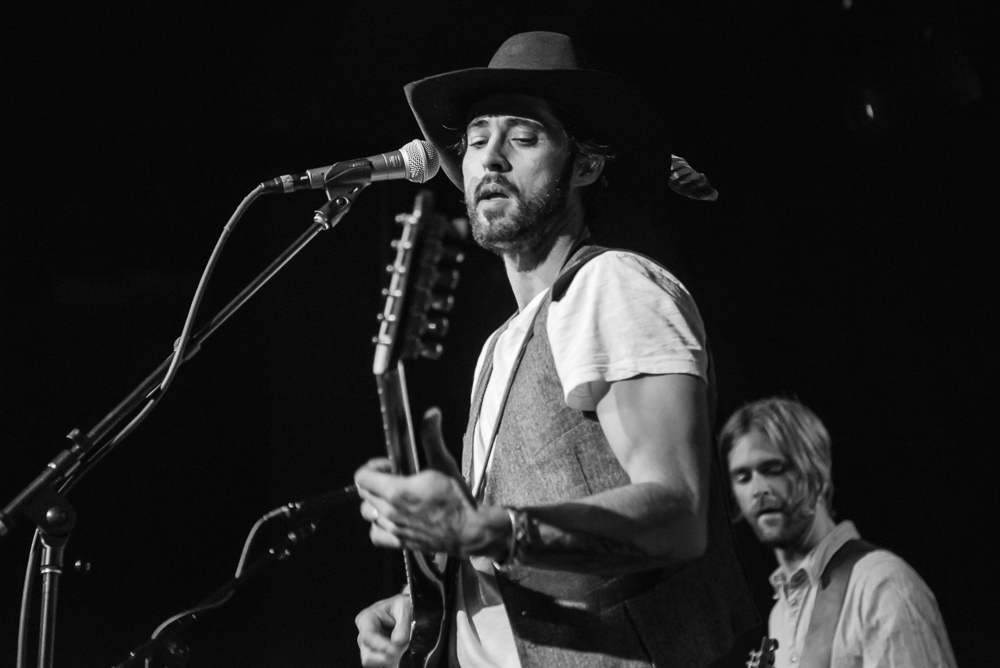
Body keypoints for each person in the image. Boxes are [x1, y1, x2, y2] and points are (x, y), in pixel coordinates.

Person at [353, 31, 757, 668]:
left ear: (587, 165)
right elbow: (505, 558)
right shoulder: (498, 349)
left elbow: (677, 515)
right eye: (476, 139)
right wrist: (427, 604)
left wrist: (490, 530)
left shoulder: (611, 286)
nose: (489, 159)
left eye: (522, 137)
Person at [720, 397, 956, 668]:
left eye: (773, 469)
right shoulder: (780, 614)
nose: (757, 489)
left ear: (816, 473)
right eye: (742, 477)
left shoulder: (881, 584)